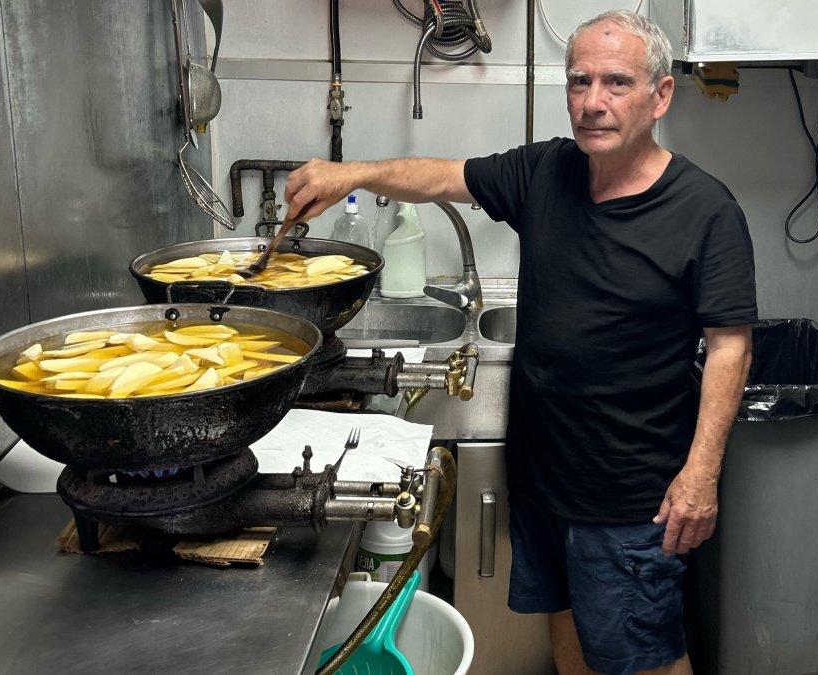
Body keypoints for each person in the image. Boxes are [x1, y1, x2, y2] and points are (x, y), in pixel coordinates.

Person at [285, 11, 755, 675]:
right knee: (565, 630)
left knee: (643, 657)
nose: (593, 102)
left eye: (616, 83)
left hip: (628, 497)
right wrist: (350, 174)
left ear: (661, 95)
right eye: (579, 81)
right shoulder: (546, 171)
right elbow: (441, 177)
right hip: (541, 480)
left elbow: (730, 347)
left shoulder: (706, 211)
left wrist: (701, 475)